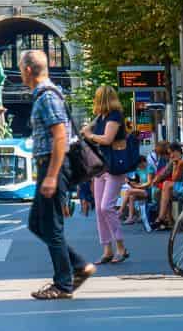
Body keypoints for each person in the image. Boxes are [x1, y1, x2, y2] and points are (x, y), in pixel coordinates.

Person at [21, 49, 91, 301]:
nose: (20, 73)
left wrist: (51, 176)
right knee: (37, 224)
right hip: (48, 165)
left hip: (53, 166)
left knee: (51, 226)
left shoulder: (47, 97)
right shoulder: (43, 95)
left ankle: (63, 284)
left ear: (28, 70)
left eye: (20, 68)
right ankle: (78, 266)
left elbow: (60, 136)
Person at [79, 85, 129, 264]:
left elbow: (107, 139)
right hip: (101, 167)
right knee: (99, 210)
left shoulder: (115, 116)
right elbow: (87, 130)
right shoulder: (101, 117)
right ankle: (107, 249)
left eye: (97, 98)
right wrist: (87, 131)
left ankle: (121, 247)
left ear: (101, 99)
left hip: (114, 167)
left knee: (106, 207)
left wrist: (90, 135)